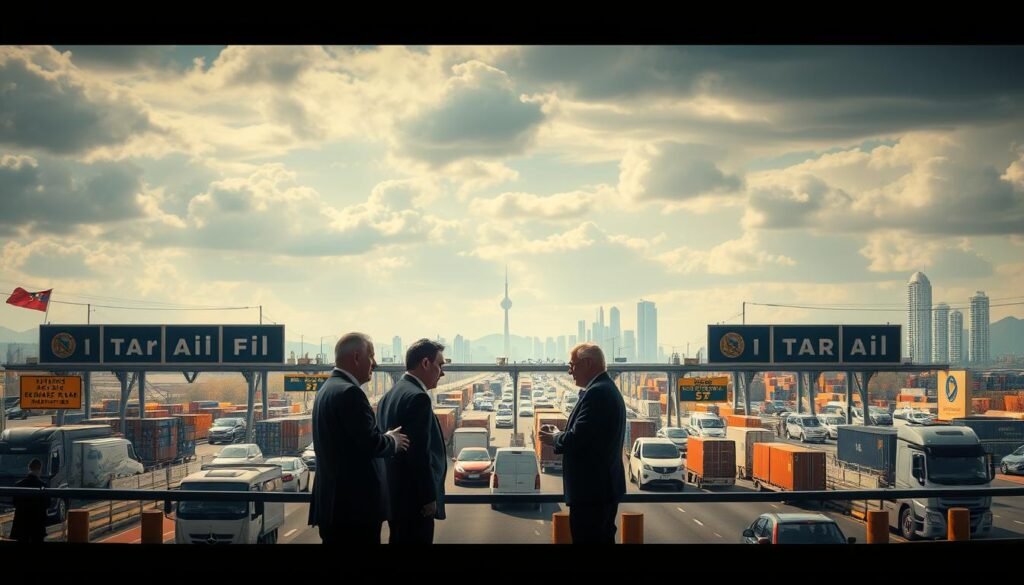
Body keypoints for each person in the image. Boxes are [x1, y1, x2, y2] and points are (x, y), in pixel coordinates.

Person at [308, 332, 409, 545]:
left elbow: (350, 442)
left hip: (333, 506)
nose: (375, 363)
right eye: (371, 356)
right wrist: (393, 441)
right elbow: (369, 443)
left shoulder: (326, 390)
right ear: (356, 357)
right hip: (354, 510)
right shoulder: (350, 394)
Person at [539, 343, 626, 544]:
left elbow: (578, 438)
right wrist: (561, 433)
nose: (570, 371)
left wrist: (554, 439)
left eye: (572, 365)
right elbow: (589, 436)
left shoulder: (598, 393)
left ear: (587, 363)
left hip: (592, 494)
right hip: (599, 491)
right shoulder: (605, 389)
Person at [376, 338, 448, 544]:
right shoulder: (418, 398)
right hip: (415, 502)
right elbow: (418, 454)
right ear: (425, 363)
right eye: (440, 365)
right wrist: (428, 497)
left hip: (394, 497)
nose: (442, 373)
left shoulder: (388, 396)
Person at [11, 458, 49, 543]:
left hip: (22, 524)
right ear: (40, 469)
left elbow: (14, 502)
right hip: (37, 524)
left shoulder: (18, 485)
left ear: (29, 468)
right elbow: (47, 504)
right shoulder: (43, 485)